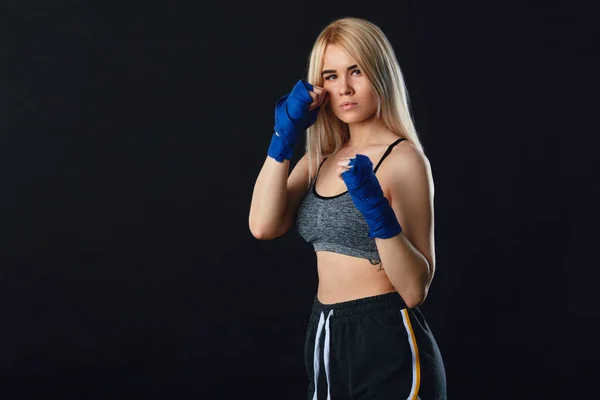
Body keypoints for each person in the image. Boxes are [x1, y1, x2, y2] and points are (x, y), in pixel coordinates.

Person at [249, 16, 446, 399]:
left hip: (385, 333)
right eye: (331, 76)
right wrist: (283, 139)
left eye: (356, 71)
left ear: (379, 73)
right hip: (325, 331)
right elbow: (262, 225)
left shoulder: (403, 159)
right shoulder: (320, 157)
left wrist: (375, 208)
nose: (344, 88)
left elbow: (414, 288)